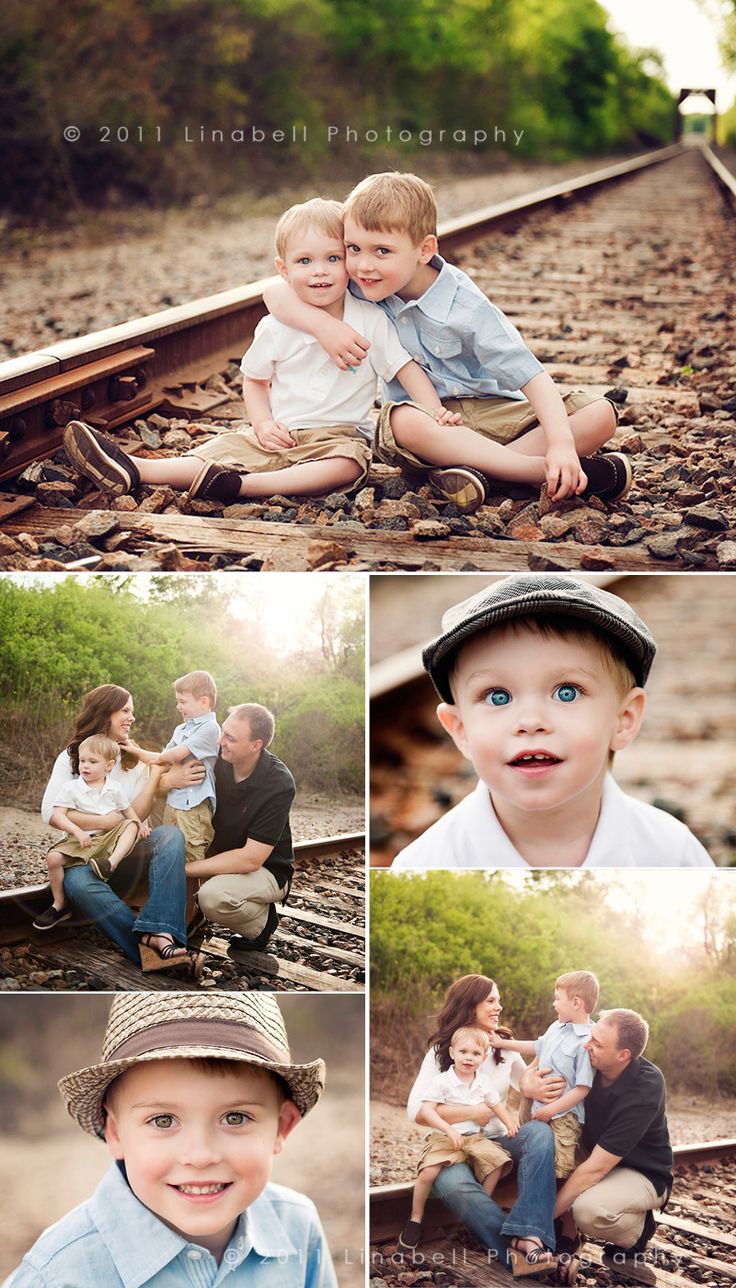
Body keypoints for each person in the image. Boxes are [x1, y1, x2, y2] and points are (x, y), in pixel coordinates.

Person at [263, 171, 632, 514]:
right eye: (353, 249)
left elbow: (531, 376)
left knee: (599, 413)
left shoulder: (465, 305)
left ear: (423, 250)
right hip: (426, 427)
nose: (362, 266)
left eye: (382, 251)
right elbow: (273, 293)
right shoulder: (359, 284)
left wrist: (563, 445)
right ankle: (532, 471)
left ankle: (481, 476)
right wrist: (321, 325)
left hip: (492, 413)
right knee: (403, 420)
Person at [60, 198, 465, 505]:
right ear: (284, 270)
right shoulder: (275, 327)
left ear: (350, 262)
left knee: (348, 465)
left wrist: (433, 413)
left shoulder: (370, 320)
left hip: (337, 435)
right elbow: (254, 381)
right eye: (305, 261)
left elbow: (405, 370)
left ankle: (243, 486)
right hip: (279, 433)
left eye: (333, 258)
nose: (320, 270)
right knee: (219, 449)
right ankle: (136, 469)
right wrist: (261, 424)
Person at [3, 992, 336, 1288]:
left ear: (281, 1127)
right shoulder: (59, 1274)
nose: (200, 1155)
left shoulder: (298, 1225)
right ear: (116, 1133)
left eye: (235, 1118)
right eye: (163, 1120)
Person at [391, 573, 715, 868]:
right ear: (460, 731)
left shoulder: (673, 853)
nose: (531, 721)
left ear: (624, 719)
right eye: (497, 696)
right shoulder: (424, 863)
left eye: (567, 693)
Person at [406, 974, 565, 1277]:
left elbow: (524, 1083)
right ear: (470, 1005)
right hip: (453, 1144)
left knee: (539, 1133)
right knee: (453, 1184)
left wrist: (532, 1085)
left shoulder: (503, 1046)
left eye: (498, 1000)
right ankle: (519, 1254)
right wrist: (472, 1111)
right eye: (491, 1001)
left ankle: (529, 1234)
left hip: (495, 1140)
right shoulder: (444, 1049)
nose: (498, 1007)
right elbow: (415, 1110)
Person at [40, 684, 204, 976]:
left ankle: (161, 934)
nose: (132, 718)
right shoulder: (73, 757)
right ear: (105, 713)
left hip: (127, 852)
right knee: (76, 882)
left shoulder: (130, 759)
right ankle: (158, 954)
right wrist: (106, 821)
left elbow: (137, 814)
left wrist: (155, 774)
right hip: (86, 854)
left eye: (132, 711)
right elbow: (49, 811)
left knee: (170, 836)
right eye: (125, 711)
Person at [552, 1009, 674, 1286]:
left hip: (640, 1170)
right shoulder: (587, 1058)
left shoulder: (647, 1084)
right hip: (595, 1155)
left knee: (588, 1211)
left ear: (623, 1055)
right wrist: (528, 1083)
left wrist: (539, 1223)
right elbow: (544, 1060)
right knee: (540, 1128)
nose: (587, 1045)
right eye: (591, 1037)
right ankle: (566, 1234)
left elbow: (596, 1168)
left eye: (597, 1043)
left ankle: (638, 1233)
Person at [185, 703, 296, 958]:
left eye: (230, 738)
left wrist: (183, 870)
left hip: (265, 868)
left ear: (256, 745)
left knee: (212, 897)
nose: (220, 740)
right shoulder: (218, 756)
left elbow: (250, 859)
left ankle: (262, 925)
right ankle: (188, 914)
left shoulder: (278, 783)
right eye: (222, 732)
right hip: (221, 852)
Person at [400, 1024, 518, 1251]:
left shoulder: (483, 1082)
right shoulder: (443, 1081)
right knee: (428, 1173)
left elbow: (495, 1105)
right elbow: (426, 1111)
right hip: (445, 1136)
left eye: (475, 1054)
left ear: (483, 1058)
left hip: (474, 1138)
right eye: (463, 1052)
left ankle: (480, 1208)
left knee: (498, 1163)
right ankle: (415, 1218)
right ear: (452, 1053)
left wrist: (509, 1123)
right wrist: (449, 1129)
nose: (468, 1058)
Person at [490, 971, 597, 1180]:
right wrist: (502, 1043)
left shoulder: (587, 1041)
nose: (554, 1004)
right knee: (532, 1155)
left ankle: (558, 1207)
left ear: (576, 1003)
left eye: (557, 999)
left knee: (559, 1166)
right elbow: (537, 1046)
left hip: (563, 1116)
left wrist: (550, 1110)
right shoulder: (557, 1027)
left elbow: (583, 1088)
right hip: (536, 1106)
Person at [33, 734, 144, 931]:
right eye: (82, 761)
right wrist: (77, 831)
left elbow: (128, 811)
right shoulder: (71, 788)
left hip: (108, 838)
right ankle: (59, 903)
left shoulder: (114, 788)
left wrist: (140, 825)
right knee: (53, 858)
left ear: (108, 766)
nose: (85, 766)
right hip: (82, 837)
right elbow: (58, 815)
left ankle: (110, 863)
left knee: (132, 825)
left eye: (93, 762)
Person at [124, 670, 220, 865]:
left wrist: (143, 755)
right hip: (174, 801)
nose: (178, 706)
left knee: (192, 856)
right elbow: (163, 759)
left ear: (204, 701)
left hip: (194, 805)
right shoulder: (181, 729)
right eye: (178, 701)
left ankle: (193, 895)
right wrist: (134, 750)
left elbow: (171, 757)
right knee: (170, 853)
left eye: (183, 702)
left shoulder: (210, 728)